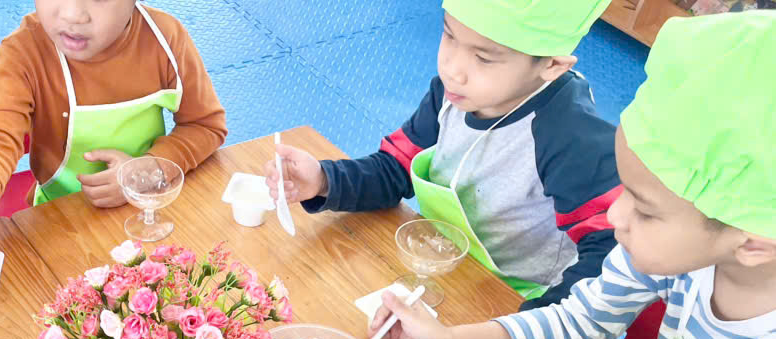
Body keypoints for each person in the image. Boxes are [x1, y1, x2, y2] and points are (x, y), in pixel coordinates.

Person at [370, 12, 776, 339]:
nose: (614, 214)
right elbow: (578, 320)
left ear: (755, 244)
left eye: (645, 210)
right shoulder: (674, 261)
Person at [265, 0, 618, 309]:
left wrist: (523, 329)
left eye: (483, 57)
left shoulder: (573, 136)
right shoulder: (452, 95)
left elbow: (611, 256)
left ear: (552, 65)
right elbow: (395, 169)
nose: (452, 68)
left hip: (514, 299)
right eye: (449, 35)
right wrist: (324, 179)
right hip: (440, 264)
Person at [0, 0, 227, 271]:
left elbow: (205, 125)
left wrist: (147, 171)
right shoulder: (26, 53)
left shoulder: (166, 39)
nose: (72, 14)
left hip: (149, 214)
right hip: (59, 224)